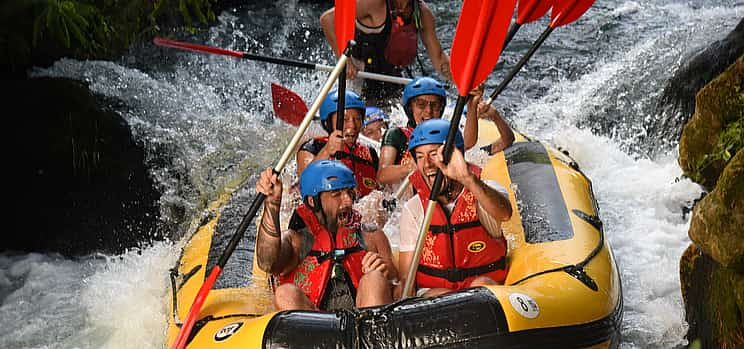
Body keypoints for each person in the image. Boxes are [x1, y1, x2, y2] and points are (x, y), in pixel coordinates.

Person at [255, 160, 397, 311]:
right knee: (285, 294)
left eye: (349, 192)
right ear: (312, 201)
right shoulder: (295, 241)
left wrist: (385, 272)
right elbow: (266, 263)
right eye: (337, 194)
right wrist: (272, 205)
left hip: (362, 322)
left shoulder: (372, 236)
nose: (348, 201)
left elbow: (399, 284)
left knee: (374, 280)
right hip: (316, 324)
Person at [395, 119, 513, 298]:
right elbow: (406, 279)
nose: (427, 164)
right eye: (420, 156)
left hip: (484, 295)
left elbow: (504, 213)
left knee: (482, 285)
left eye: (434, 154)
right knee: (440, 295)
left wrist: (467, 178)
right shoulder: (414, 208)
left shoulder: (485, 191)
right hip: (436, 296)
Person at [320, 0, 452, 107]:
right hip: (358, 81)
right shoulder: (374, 3)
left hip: (392, 81)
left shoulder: (422, 13)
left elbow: (439, 58)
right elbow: (328, 19)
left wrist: (460, 80)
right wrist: (345, 61)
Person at [296, 89, 380, 198]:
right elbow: (305, 183)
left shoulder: (369, 152)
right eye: (345, 120)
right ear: (328, 123)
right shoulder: (313, 147)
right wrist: (327, 150)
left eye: (357, 119)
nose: (352, 126)